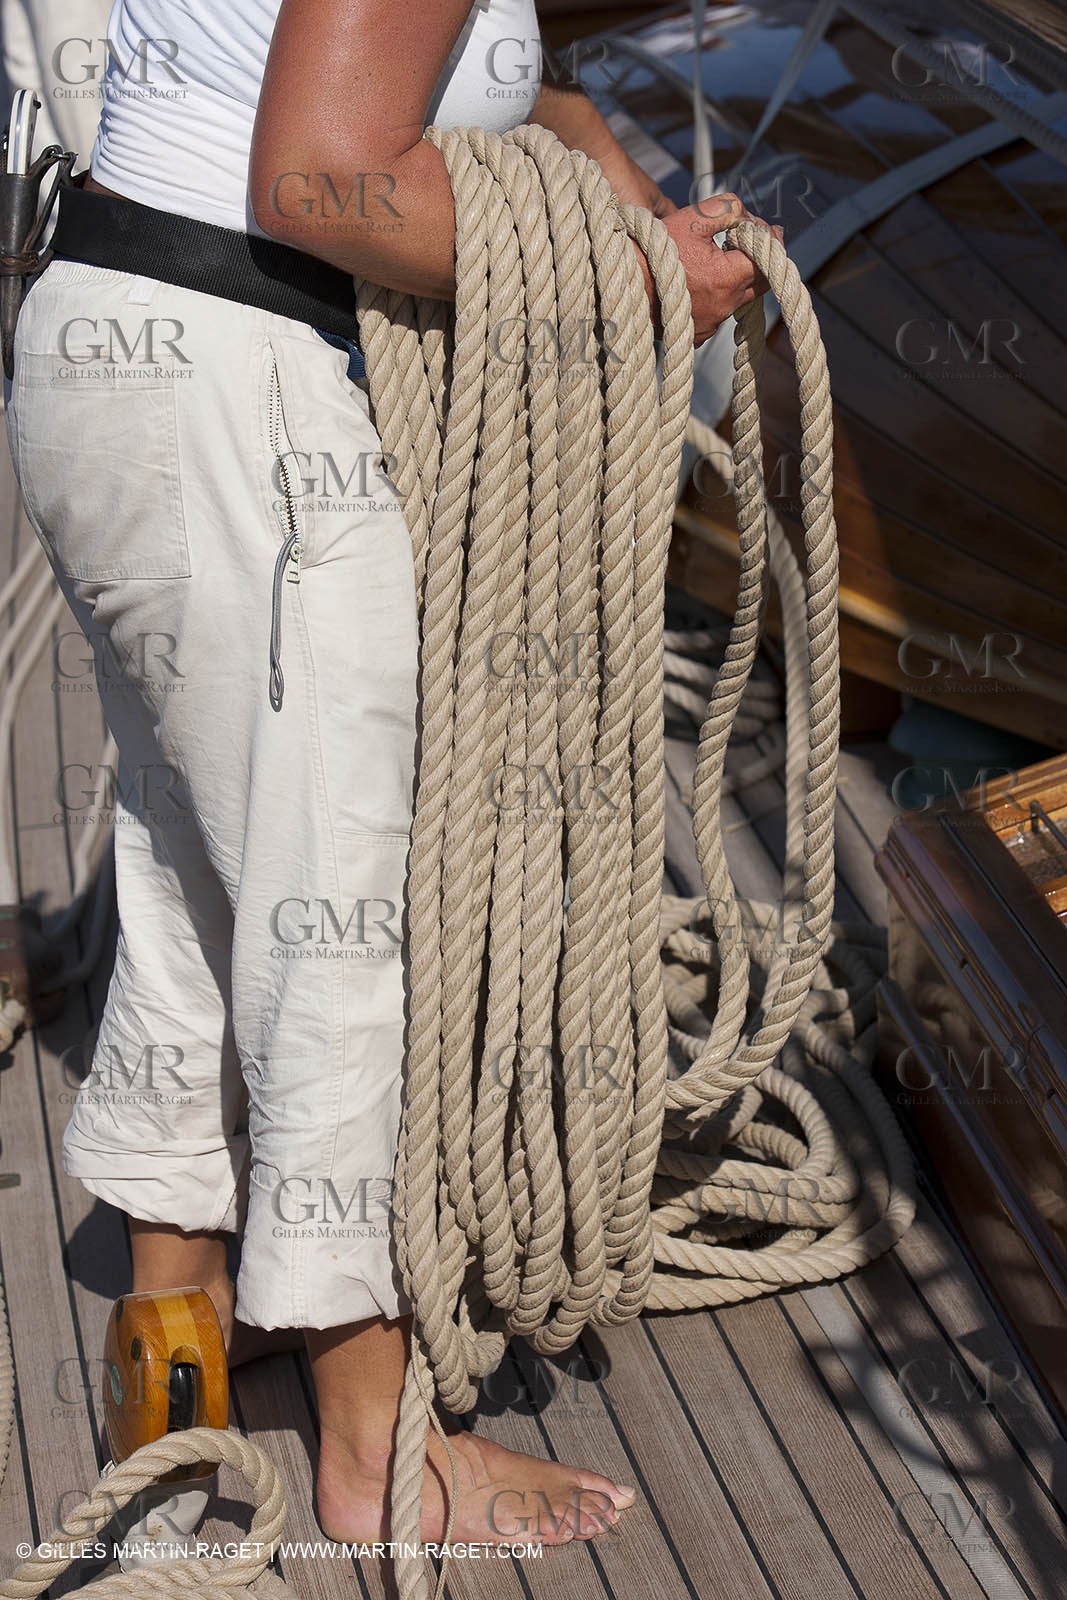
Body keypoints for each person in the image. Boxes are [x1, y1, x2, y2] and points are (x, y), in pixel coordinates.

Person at [6, 0, 772, 1548]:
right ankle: (382, 1455)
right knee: (340, 925)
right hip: (252, 399)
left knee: (191, 893)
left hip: (134, 359)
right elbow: (320, 182)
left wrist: (581, 143)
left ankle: (175, 1368)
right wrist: (640, 275)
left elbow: (428, 86)